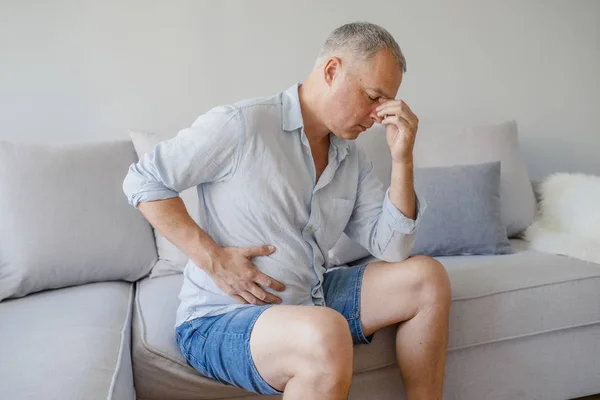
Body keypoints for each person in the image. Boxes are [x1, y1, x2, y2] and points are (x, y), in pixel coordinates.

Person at [123, 21, 450, 400]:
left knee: (427, 278)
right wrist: (212, 258)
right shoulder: (242, 125)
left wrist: (402, 159)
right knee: (325, 330)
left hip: (310, 297)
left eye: (386, 103)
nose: (379, 115)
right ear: (331, 71)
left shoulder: (351, 159)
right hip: (222, 318)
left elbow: (393, 248)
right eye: (373, 96)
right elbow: (142, 181)